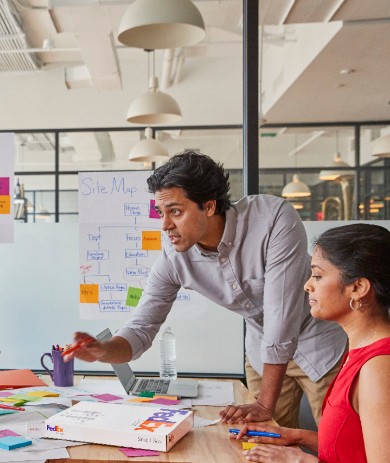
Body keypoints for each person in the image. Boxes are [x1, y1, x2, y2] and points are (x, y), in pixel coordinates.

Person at [66, 150, 347, 427]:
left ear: (209, 206)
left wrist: (264, 404)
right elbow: (141, 329)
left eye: (175, 211)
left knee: (341, 445)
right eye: (160, 212)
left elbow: (280, 315)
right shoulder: (175, 259)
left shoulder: (272, 219)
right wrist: (104, 350)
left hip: (320, 342)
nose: (165, 225)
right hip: (263, 350)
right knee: (263, 444)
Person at [234, 223, 390, 463]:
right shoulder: (358, 352)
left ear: (358, 288)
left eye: (317, 275)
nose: (308, 285)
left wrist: (299, 460)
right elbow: (353, 447)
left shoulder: (378, 368)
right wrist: (296, 436)